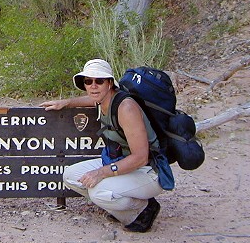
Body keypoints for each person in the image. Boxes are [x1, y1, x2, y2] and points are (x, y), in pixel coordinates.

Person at [40, 59, 163, 233]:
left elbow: (141, 158)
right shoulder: (104, 100)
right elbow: (91, 100)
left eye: (99, 81)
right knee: (70, 176)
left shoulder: (126, 108)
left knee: (98, 192)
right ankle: (121, 206)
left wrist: (101, 173)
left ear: (110, 83)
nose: (93, 86)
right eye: (88, 81)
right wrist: (66, 102)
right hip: (123, 163)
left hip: (149, 171)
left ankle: (144, 208)